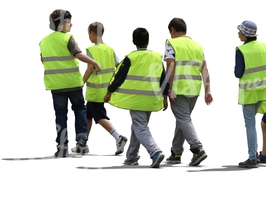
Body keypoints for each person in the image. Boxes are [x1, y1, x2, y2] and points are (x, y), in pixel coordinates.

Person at [40, 9, 101, 158]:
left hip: (56, 86)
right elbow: (78, 55)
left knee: (60, 115)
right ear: (61, 25)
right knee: (80, 110)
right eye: (68, 22)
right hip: (73, 83)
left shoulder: (43, 41)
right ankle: (81, 142)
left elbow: (43, 60)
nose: (71, 24)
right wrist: (94, 63)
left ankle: (62, 147)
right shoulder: (68, 39)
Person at [105, 27, 169, 168]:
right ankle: (132, 157)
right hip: (151, 99)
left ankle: (155, 152)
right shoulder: (157, 57)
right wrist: (165, 96)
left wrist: (109, 91)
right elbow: (164, 79)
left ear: (133, 41)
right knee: (138, 127)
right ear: (148, 41)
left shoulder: (131, 57)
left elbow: (118, 77)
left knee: (140, 127)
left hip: (136, 100)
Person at [163, 18, 211, 166]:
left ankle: (197, 149)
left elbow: (170, 65)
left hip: (178, 88)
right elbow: (204, 69)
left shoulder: (171, 43)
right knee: (183, 119)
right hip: (194, 89)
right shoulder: (198, 47)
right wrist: (207, 90)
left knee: (183, 119)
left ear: (172, 30)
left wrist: (168, 88)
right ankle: (176, 152)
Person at [234, 20, 266, 168]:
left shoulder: (241, 50)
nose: (238, 32)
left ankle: (252, 157)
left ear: (246, 34)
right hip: (264, 90)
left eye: (240, 30)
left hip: (249, 92)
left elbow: (238, 72)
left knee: (250, 125)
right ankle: (255, 155)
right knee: (252, 123)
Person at [83, 21, 128, 155]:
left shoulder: (90, 50)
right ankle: (83, 143)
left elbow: (90, 68)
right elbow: (118, 65)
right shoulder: (110, 49)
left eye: (88, 34)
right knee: (88, 114)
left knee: (99, 116)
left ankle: (119, 137)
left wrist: (81, 82)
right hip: (106, 90)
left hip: (95, 91)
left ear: (92, 34)